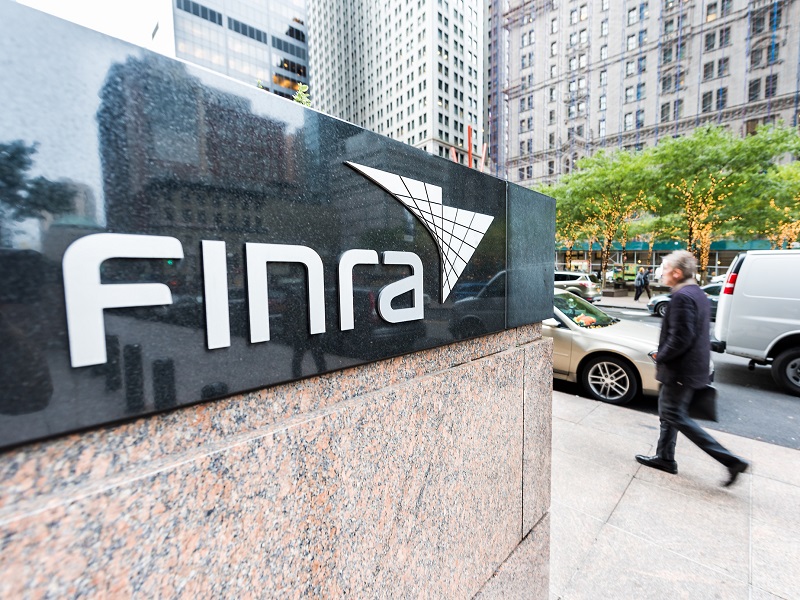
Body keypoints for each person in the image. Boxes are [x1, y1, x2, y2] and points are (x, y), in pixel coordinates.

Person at [636, 251, 749, 487]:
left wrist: (661, 356)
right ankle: (665, 458)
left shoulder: (682, 297)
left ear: (677, 273)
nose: (662, 272)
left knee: (675, 416)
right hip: (689, 369)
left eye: (665, 269)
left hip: (680, 371)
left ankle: (731, 460)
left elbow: (681, 338)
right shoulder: (696, 293)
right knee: (669, 415)